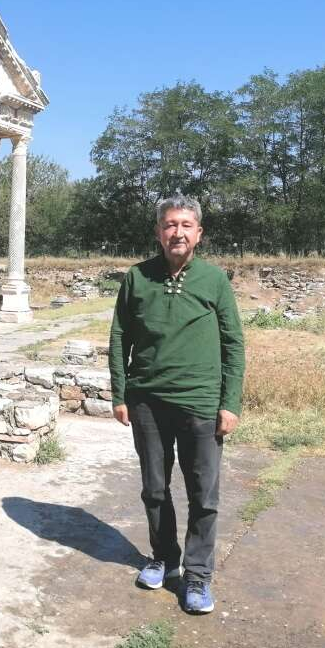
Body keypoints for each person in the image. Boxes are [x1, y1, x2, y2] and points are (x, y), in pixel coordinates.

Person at [108, 194, 245, 614]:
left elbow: (233, 343)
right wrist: (120, 393)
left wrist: (230, 402)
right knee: (154, 488)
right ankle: (164, 558)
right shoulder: (137, 278)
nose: (177, 232)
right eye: (170, 224)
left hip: (200, 402)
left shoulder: (214, 280)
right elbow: (119, 337)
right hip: (147, 401)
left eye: (186, 225)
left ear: (198, 233)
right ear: (158, 232)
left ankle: (198, 577)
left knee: (203, 494)